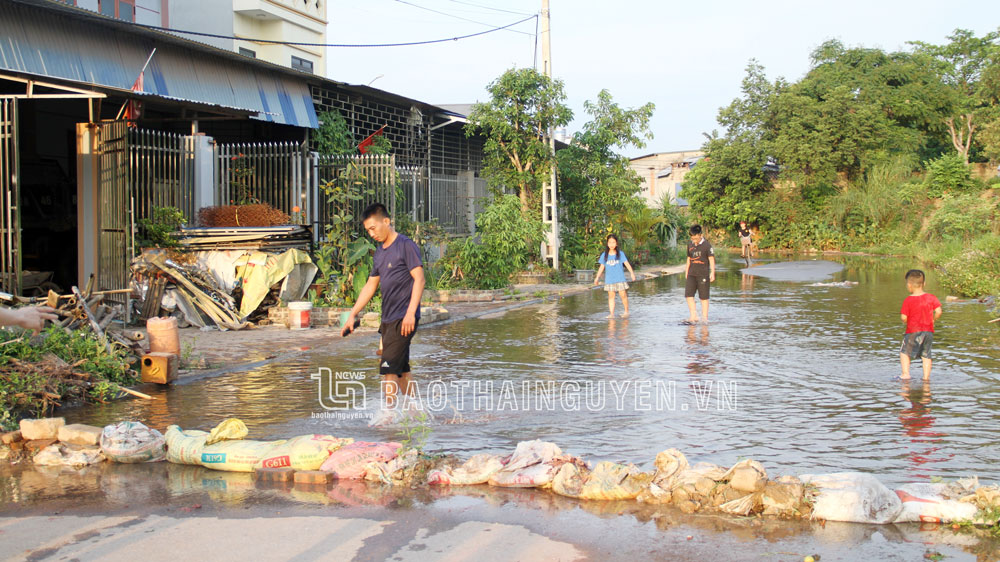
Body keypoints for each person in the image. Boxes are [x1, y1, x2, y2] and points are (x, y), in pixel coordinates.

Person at [342, 203, 425, 411]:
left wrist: (410, 314)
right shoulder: (379, 253)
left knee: (387, 367)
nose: (371, 234)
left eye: (373, 228)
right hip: (388, 320)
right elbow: (371, 285)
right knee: (401, 370)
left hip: (403, 318)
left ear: (386, 221)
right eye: (368, 230)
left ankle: (388, 416)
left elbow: (420, 279)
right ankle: (415, 411)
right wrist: (353, 314)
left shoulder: (405, 245)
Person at [899, 269, 942, 381]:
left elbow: (904, 317)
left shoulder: (908, 300)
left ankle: (905, 374)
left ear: (909, 285)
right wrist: (933, 319)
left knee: (904, 352)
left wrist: (905, 322)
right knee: (926, 355)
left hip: (913, 331)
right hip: (928, 332)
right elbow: (939, 311)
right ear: (924, 284)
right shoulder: (931, 297)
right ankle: (926, 378)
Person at [593, 234, 637, 318]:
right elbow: (601, 267)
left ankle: (626, 312)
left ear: (616, 244)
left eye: (613, 242)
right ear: (607, 243)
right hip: (609, 280)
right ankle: (611, 314)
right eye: (610, 242)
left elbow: (626, 264)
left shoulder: (620, 254)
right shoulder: (604, 255)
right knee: (611, 296)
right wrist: (597, 278)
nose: (612, 244)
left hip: (620, 279)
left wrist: (632, 273)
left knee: (623, 295)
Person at [685, 224, 715, 323]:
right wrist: (686, 271)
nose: (694, 239)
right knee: (689, 295)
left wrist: (712, 272)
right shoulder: (690, 245)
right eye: (692, 238)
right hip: (691, 273)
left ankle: (704, 317)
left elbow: (711, 259)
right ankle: (693, 316)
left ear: (700, 235)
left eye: (695, 237)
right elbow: (689, 259)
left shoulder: (707, 245)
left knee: (704, 297)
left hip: (703, 274)